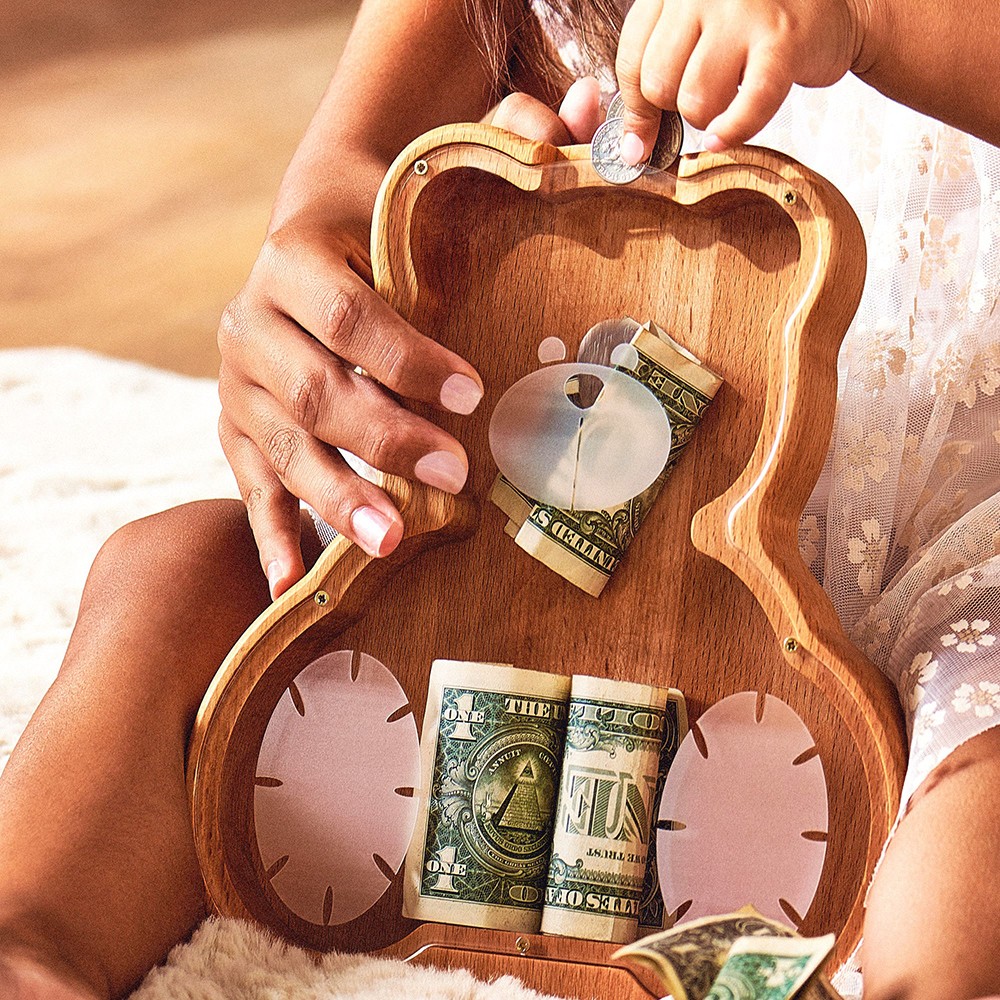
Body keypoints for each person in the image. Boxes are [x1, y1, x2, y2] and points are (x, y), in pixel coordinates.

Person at [1, 1, 998, 998]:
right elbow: (349, 179)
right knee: (175, 567)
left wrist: (863, 21)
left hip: (961, 555)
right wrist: (301, 325)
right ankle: (31, 946)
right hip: (566, 545)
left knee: (966, 870)